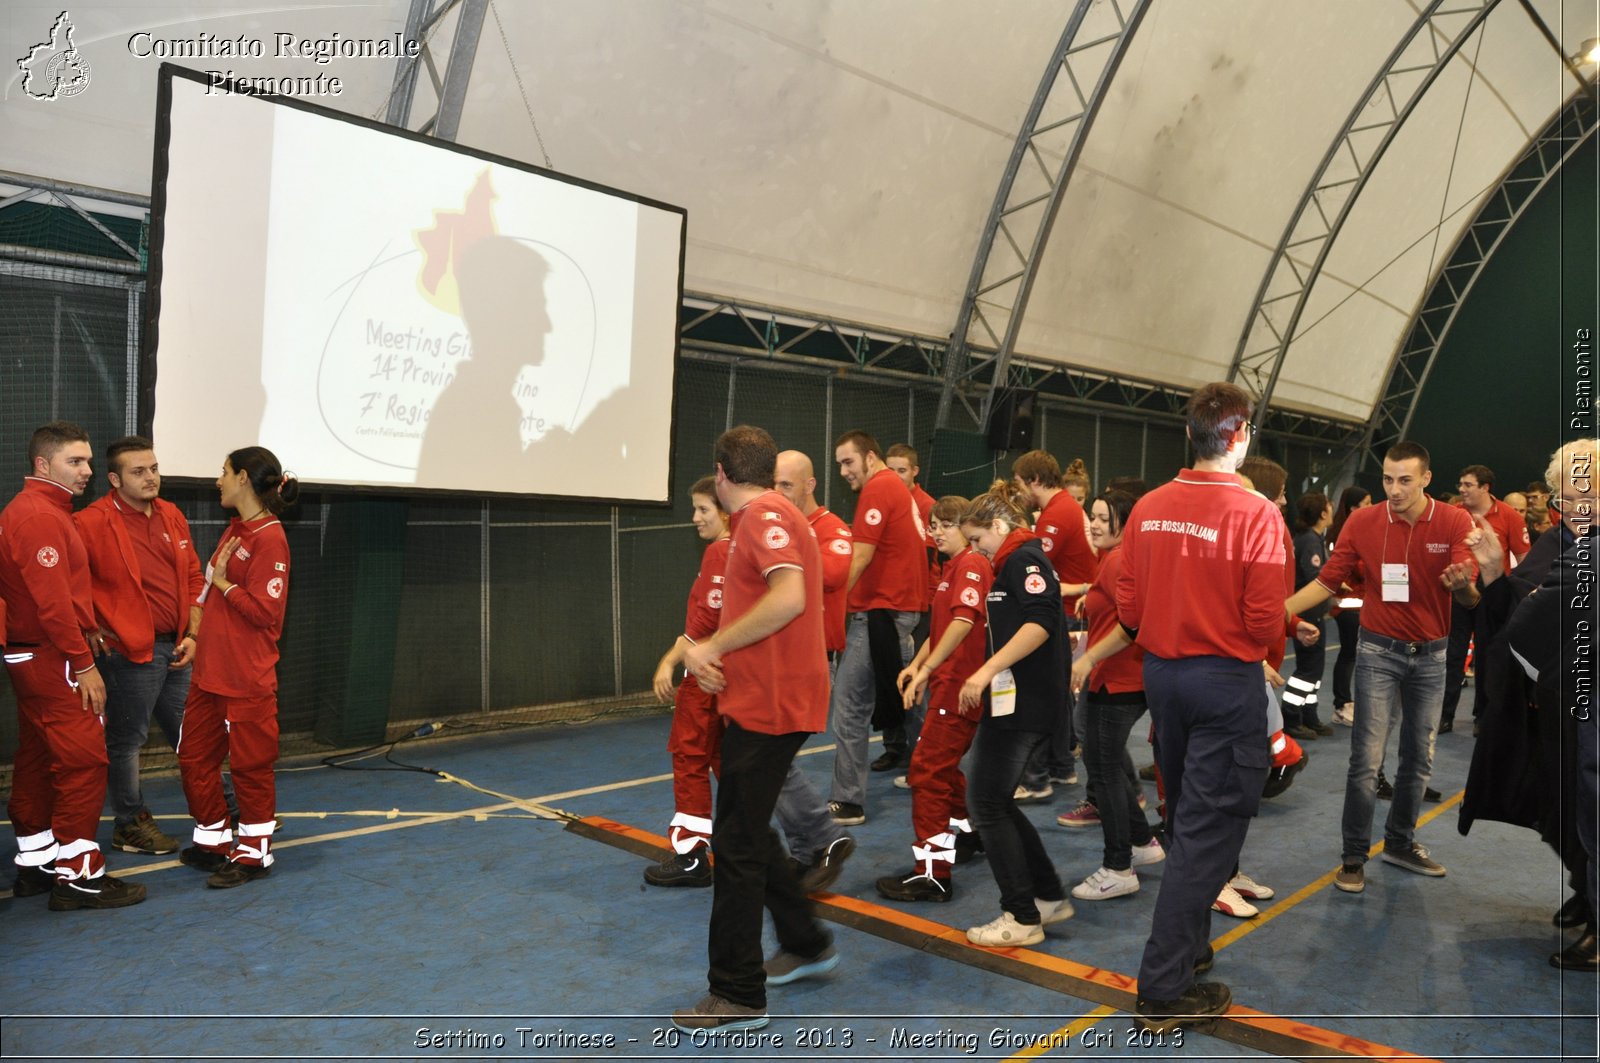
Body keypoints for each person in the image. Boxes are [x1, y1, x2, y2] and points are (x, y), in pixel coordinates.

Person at [1115, 382, 1284, 1032]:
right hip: (1223, 682)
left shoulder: (1149, 508)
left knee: (1186, 815)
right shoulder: (1257, 514)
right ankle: (1162, 988)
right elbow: (1265, 617)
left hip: (1163, 677)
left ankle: (1188, 950)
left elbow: (1129, 610)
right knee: (1204, 839)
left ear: (1192, 435)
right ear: (1240, 437)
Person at [672, 426, 835, 1033]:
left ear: (721, 472)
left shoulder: (766, 514)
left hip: (774, 707)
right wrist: (723, 661)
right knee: (750, 831)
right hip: (760, 697)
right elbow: (763, 614)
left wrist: (710, 645)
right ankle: (807, 940)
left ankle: (738, 992)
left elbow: (788, 598)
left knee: (737, 845)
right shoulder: (758, 520)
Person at [1285, 441, 1478, 895]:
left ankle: (1400, 841)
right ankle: (1353, 857)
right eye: (1388, 479)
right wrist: (1277, 613)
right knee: (1366, 760)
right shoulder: (1363, 521)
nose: (1394, 489)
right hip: (1377, 653)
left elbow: (1470, 596)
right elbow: (1327, 580)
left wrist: (1463, 587)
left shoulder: (1453, 520)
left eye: (1405, 480)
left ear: (1426, 479)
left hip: (1431, 656)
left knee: (1419, 756)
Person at [1457, 440, 1597, 968]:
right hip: (1559, 710)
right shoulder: (1563, 540)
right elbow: (1523, 608)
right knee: (1565, 810)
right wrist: (1494, 571)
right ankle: (1587, 894)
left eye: (1574, 494)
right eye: (1562, 497)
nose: (1564, 507)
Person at [1, 422, 142, 910]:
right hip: (51, 657)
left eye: (86, 462)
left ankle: (36, 864)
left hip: (34, 654)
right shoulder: (39, 517)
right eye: (75, 462)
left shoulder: (42, 511)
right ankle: (79, 877)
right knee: (84, 762)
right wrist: (83, 664)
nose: (87, 472)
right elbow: (53, 605)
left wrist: (86, 630)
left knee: (39, 759)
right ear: (43, 464)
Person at [955, 480, 1074, 946]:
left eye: (978, 539)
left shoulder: (1024, 559)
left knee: (985, 801)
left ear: (1000, 526)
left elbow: (1042, 621)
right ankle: (1046, 896)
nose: (976, 550)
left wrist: (985, 671)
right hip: (1018, 699)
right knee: (995, 800)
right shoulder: (1009, 561)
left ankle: (1021, 916)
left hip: (1025, 700)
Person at [74, 436, 205, 858]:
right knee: (126, 741)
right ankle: (130, 824)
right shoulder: (91, 522)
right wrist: (89, 626)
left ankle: (223, 808)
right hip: (129, 657)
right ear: (114, 479)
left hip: (178, 650)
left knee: (193, 734)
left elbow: (193, 579)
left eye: (153, 469)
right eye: (138, 472)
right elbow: (71, 585)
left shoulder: (172, 514)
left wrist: (194, 635)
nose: (150, 478)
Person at [177, 446, 297, 889]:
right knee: (193, 757)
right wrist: (193, 636)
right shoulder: (235, 529)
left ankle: (254, 853)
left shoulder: (270, 538)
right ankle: (212, 842)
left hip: (247, 676)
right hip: (210, 672)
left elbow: (266, 613)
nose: (218, 480)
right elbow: (207, 594)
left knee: (250, 767)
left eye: (223, 472)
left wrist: (226, 583)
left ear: (244, 477)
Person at [875, 495, 991, 902]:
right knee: (943, 769)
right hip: (946, 682)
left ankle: (933, 872)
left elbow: (963, 622)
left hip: (958, 687)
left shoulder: (972, 565)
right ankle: (965, 834)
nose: (936, 532)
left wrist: (926, 669)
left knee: (926, 772)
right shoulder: (949, 568)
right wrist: (920, 663)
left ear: (967, 527)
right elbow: (941, 630)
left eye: (945, 525)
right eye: (933, 525)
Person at [1067, 488, 1165, 901]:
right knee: (1103, 762)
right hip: (1121, 677)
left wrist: (1088, 661)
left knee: (1104, 769)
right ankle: (1142, 843)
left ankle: (1118, 866)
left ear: (1124, 522)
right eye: (1092, 515)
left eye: (1103, 518)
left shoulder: (1121, 560)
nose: (1093, 523)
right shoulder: (1118, 559)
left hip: (1119, 680)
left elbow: (1134, 624)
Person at [827, 430, 926, 823]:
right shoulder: (894, 489)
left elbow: (861, 557)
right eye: (838, 465)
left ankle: (848, 799)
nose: (844, 471)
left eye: (848, 462)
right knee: (908, 698)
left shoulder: (879, 488)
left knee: (850, 706)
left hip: (882, 614)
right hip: (892, 612)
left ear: (870, 457)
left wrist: (830, 608)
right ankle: (938, 773)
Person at [645, 476, 730, 887]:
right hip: (733, 677)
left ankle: (692, 852)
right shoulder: (746, 551)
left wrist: (674, 662)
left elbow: (701, 629)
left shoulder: (720, 553)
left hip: (706, 677)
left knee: (690, 756)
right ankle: (744, 845)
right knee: (724, 762)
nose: (695, 518)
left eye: (703, 510)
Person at [1011, 449, 1098, 803]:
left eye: (1019, 482)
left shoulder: (1058, 513)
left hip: (1065, 612)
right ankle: (1061, 765)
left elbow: (1037, 567)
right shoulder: (1060, 509)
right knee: (1059, 693)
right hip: (1067, 610)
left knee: (1043, 692)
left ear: (1033, 481)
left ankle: (1037, 778)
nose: (1018, 489)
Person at [1439, 465, 1530, 733]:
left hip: (1493, 592)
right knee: (1454, 654)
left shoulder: (1510, 516)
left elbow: (1525, 560)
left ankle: (1484, 716)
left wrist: (1515, 597)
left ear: (1485, 488)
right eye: (1460, 484)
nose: (1462, 490)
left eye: (1468, 485)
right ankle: (1445, 715)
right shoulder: (1454, 514)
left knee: (1488, 655)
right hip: (1460, 588)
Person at [1285, 491, 1334, 739]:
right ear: (1323, 513)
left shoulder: (1310, 538)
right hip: (1308, 614)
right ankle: (1292, 716)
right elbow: (1315, 578)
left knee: (1314, 670)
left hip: (1311, 613)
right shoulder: (1311, 541)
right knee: (1308, 670)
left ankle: (1309, 714)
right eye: (1329, 506)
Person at [1327, 486, 1372, 725]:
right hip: (1347, 608)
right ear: (1353, 508)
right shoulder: (1346, 535)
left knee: (1353, 655)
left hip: (1359, 606)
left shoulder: (1359, 531)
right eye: (1366, 502)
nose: (1371, 506)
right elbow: (1361, 570)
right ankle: (1342, 705)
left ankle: (1347, 703)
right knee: (1348, 655)